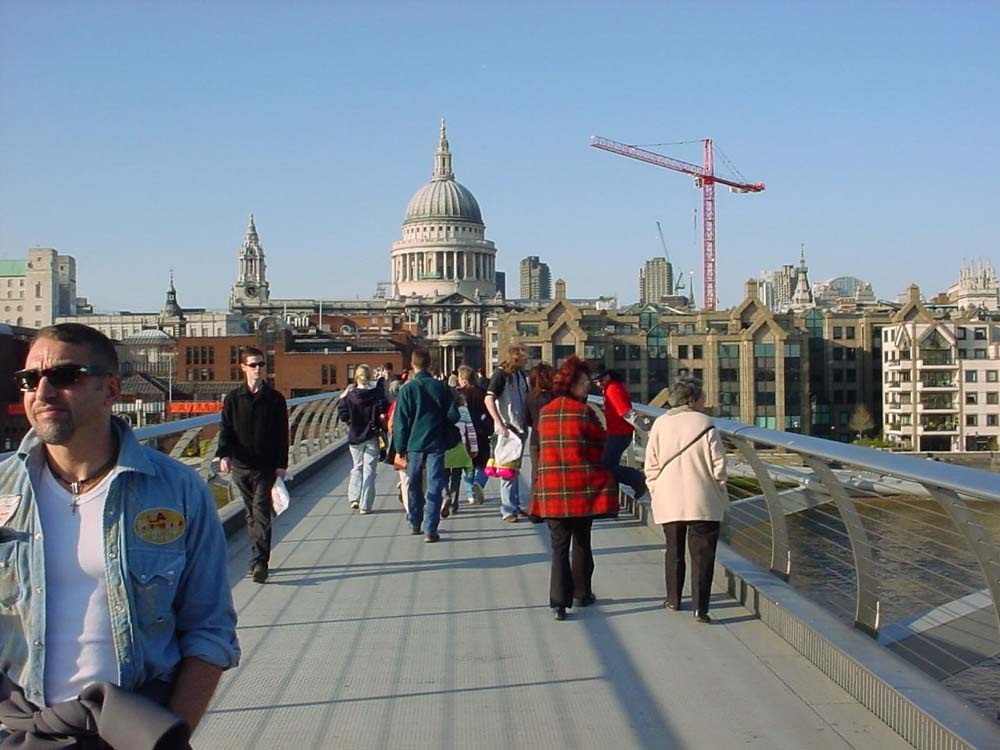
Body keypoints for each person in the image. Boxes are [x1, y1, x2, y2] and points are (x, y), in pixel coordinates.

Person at [0, 323, 239, 744]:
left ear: (110, 390)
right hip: (22, 731)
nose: (43, 391)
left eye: (65, 376)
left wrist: (168, 737)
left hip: (132, 730)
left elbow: (209, 627)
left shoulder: (177, 490)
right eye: (29, 379)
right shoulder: (3, 490)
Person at [530, 356, 618, 621]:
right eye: (583, 382)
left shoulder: (545, 413)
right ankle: (582, 593)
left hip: (552, 489)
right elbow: (599, 444)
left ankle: (558, 602)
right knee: (582, 542)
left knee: (558, 548)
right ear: (571, 384)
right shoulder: (584, 412)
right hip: (580, 490)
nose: (587, 387)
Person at [644, 376, 728, 624]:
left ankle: (673, 599)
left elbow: (651, 464)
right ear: (692, 400)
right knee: (702, 555)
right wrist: (719, 490)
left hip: (668, 495)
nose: (705, 401)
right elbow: (719, 466)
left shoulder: (660, 424)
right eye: (702, 396)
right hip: (702, 497)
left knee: (674, 550)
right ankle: (700, 608)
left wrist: (656, 489)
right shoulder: (705, 423)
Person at [217, 346, 289, 584]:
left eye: (262, 364)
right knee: (250, 513)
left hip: (265, 465)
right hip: (240, 464)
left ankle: (260, 562)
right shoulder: (233, 399)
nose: (258, 369)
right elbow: (226, 429)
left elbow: (282, 434)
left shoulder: (275, 399)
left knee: (260, 510)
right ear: (243, 368)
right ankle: (256, 556)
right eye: (254, 365)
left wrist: (281, 464)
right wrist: (224, 455)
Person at [392, 348, 460, 543]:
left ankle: (415, 520)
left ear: (413, 365)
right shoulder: (442, 387)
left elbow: (401, 422)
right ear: (430, 364)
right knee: (436, 482)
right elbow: (454, 415)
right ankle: (431, 528)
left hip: (414, 444)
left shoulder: (407, 389)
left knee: (413, 482)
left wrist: (400, 446)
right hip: (437, 442)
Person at [485, 345, 530, 521]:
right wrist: (499, 423)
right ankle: (508, 509)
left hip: (520, 426)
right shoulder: (501, 375)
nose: (527, 361)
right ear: (516, 359)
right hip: (508, 429)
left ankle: (514, 504)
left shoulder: (519, 375)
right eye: (524, 359)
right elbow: (489, 399)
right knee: (507, 469)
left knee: (515, 469)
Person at [337, 364, 388, 514]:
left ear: (356, 378)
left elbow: (343, 414)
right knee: (369, 470)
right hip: (372, 435)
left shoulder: (350, 396)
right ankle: (365, 505)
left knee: (357, 467)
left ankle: (354, 497)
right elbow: (383, 411)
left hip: (355, 436)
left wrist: (350, 421)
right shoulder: (377, 394)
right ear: (369, 377)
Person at [594, 369, 647, 498]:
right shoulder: (614, 387)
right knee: (610, 464)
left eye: (601, 380)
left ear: (608, 376)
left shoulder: (612, 389)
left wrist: (646, 428)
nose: (599, 384)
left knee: (606, 465)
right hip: (618, 432)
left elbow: (626, 412)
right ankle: (635, 482)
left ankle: (638, 479)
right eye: (596, 382)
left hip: (619, 433)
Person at [457, 365, 492, 504]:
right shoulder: (482, 393)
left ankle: (470, 495)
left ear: (464, 380)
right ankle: (480, 482)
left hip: (466, 434)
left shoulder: (460, 395)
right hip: (482, 432)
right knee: (484, 464)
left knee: (468, 466)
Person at [524, 363, 555, 512]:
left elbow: (526, 420)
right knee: (553, 474)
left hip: (536, 439)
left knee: (536, 475)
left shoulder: (529, 396)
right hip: (553, 440)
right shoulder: (554, 397)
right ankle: (552, 506)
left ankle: (534, 509)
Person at [442, 391, 478, 518]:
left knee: (443, 476)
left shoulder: (442, 409)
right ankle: (453, 504)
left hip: (444, 447)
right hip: (460, 447)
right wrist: (473, 447)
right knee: (456, 477)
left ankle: (445, 495)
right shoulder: (463, 410)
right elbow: (471, 430)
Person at [384, 379, 409, 510]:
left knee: (405, 477)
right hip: (420, 444)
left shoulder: (397, 403)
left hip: (401, 444)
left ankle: (411, 512)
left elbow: (391, 424)